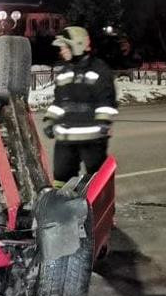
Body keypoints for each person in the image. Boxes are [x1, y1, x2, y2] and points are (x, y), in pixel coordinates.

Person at [41, 26, 118, 182]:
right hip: (65, 138)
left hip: (92, 138)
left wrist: (103, 121)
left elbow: (107, 99)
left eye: (64, 47)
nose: (61, 51)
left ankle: (93, 206)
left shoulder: (99, 70)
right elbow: (59, 102)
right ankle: (62, 205)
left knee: (96, 182)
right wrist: (49, 119)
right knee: (61, 180)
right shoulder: (64, 72)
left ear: (77, 45)